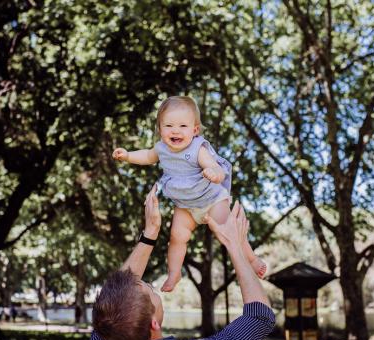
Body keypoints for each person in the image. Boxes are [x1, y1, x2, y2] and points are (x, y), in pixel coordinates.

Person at [86, 184, 275, 340]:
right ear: (154, 323)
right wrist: (235, 246)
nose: (148, 285)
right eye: (151, 291)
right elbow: (259, 318)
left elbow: (111, 300)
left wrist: (150, 232)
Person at [112, 96, 266, 292]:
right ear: (160, 129)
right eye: (168, 125)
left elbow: (213, 165)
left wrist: (215, 173)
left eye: (183, 126)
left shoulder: (197, 148)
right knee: (176, 237)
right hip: (185, 207)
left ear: (195, 130)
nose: (175, 130)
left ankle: (251, 258)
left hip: (212, 199)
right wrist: (127, 156)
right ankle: (174, 274)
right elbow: (147, 156)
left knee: (230, 231)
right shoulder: (161, 149)